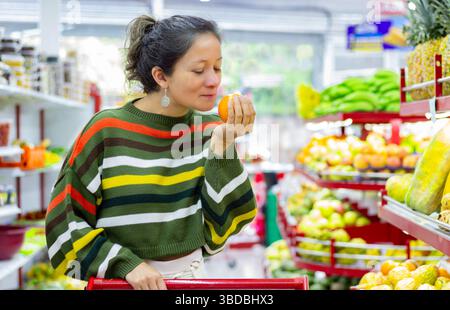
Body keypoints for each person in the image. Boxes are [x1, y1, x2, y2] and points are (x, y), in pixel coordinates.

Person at [45, 15, 257, 290]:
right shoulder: (106, 129)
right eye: (199, 70)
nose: (213, 80)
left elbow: (227, 226)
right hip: (118, 285)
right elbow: (63, 224)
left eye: (217, 68)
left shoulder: (212, 130)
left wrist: (223, 148)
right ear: (160, 76)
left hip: (190, 283)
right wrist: (125, 264)